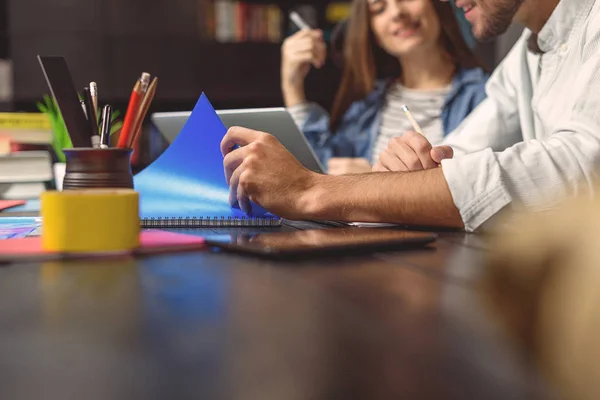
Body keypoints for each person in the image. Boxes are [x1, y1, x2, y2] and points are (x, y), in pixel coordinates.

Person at [222, 0, 600, 232]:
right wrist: (409, 180)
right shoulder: (523, 58)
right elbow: (453, 160)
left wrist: (311, 190)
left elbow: (575, 166)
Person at [280, 0, 488, 175]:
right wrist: (292, 86)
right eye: (379, 9)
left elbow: (476, 188)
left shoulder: (487, 96)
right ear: (373, 32)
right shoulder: (368, 106)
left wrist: (375, 183)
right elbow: (320, 170)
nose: (397, 13)